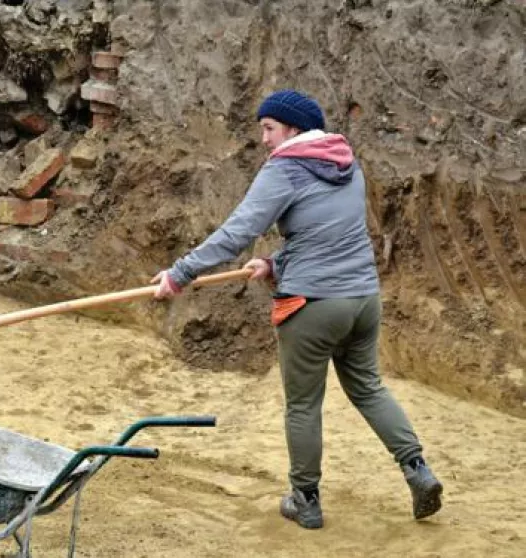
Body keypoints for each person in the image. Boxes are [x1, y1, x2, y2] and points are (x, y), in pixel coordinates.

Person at [150, 89, 443, 529]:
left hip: (313, 306)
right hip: (363, 299)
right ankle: (418, 469)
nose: (265, 139)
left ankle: (305, 500)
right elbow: (328, 233)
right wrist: (274, 263)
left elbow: (237, 232)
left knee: (303, 406)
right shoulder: (347, 164)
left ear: (292, 129)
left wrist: (181, 273)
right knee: (368, 388)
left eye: (269, 129)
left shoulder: (285, 169)